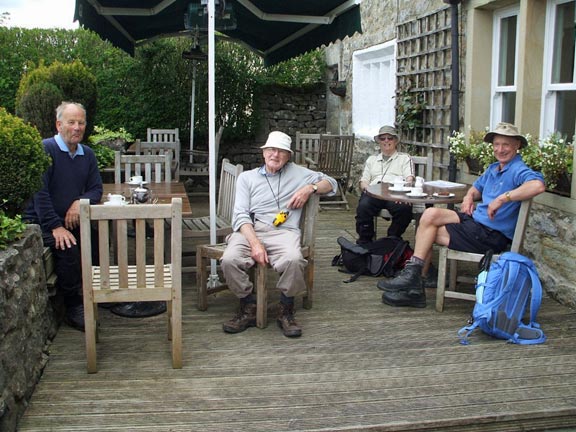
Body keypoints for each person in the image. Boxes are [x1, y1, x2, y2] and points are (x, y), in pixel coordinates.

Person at [377, 122, 546, 308]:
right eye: (496, 144)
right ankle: (414, 278)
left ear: (517, 146)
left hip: (491, 234)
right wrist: (468, 197)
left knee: (426, 230)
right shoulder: (494, 168)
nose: (500, 149)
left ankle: (415, 286)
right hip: (475, 222)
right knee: (430, 215)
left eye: (506, 145)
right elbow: (476, 187)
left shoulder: (517, 169)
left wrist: (502, 198)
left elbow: (537, 186)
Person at [220, 131, 338, 337]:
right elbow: (239, 216)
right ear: (263, 152)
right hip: (251, 230)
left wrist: (309, 188)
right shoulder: (246, 178)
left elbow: (332, 184)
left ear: (288, 155)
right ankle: (248, 305)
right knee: (229, 260)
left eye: (281, 151)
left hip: (284, 231)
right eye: (271, 149)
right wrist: (255, 244)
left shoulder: (299, 173)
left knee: (293, 259)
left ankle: (286, 308)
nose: (275, 155)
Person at [24, 102, 103, 331]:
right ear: (59, 125)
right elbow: (40, 194)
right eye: (71, 122)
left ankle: (99, 293)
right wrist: (55, 227)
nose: (77, 127)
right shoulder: (45, 149)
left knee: (97, 240)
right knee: (68, 248)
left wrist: (79, 203)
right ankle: (73, 306)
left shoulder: (86, 154)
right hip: (42, 223)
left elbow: (96, 189)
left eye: (81, 123)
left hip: (71, 220)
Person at [356, 125, 415, 243]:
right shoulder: (372, 160)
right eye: (383, 139)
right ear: (379, 142)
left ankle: (392, 239)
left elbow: (409, 178)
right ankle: (365, 241)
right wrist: (367, 190)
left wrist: (404, 194)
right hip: (375, 191)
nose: (386, 141)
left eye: (390, 138)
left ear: (395, 141)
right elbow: (364, 180)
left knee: (404, 208)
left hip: (395, 191)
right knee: (363, 207)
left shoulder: (404, 158)